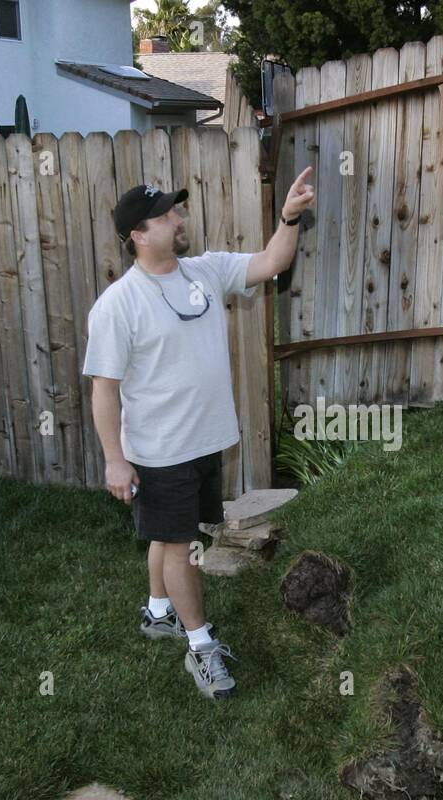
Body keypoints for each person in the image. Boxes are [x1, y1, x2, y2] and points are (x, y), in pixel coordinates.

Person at [82, 167, 316, 700]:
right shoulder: (118, 305)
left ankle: (159, 611)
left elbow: (270, 262)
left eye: (177, 210)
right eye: (165, 215)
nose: (178, 218)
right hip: (160, 451)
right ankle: (201, 645)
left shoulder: (204, 271)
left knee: (170, 534)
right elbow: (104, 390)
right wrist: (115, 460)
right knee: (179, 542)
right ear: (138, 236)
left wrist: (289, 217)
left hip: (205, 441)